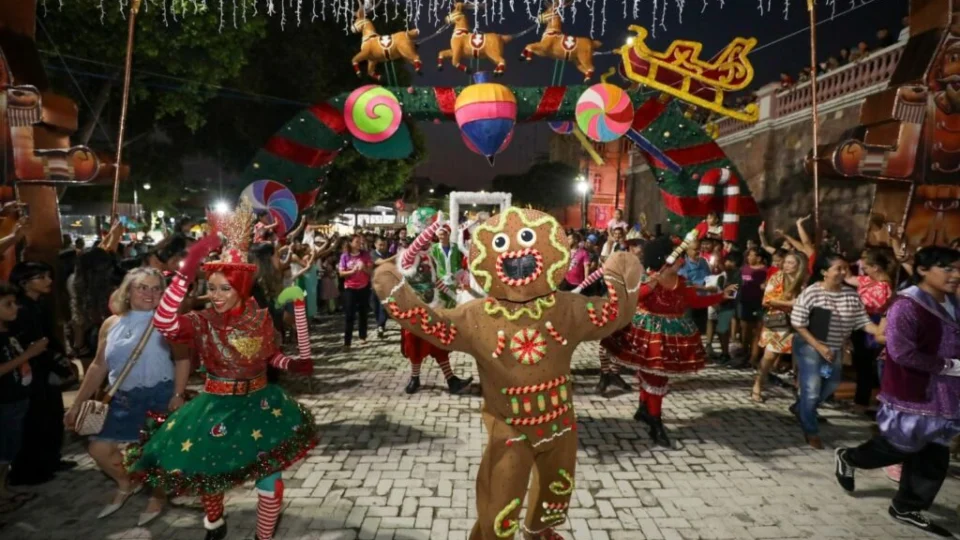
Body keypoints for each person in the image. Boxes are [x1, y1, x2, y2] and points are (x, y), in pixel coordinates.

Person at [126, 206, 315, 540]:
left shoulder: (261, 318)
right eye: (210, 288)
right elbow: (164, 321)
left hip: (260, 404)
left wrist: (295, 364)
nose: (215, 296)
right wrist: (186, 272)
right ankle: (215, 523)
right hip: (214, 406)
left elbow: (272, 357)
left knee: (270, 481)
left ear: (241, 287)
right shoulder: (202, 321)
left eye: (224, 288)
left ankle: (263, 537)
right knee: (209, 473)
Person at [834, 246, 960, 538]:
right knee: (899, 446)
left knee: (935, 453)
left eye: (957, 268)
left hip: (947, 392)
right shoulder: (907, 305)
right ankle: (850, 458)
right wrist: (950, 365)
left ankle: (907, 506)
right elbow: (901, 352)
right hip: (914, 391)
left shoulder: (952, 300)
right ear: (923, 270)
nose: (955, 275)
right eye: (948, 268)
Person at [65, 268, 187, 526]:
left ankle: (158, 494)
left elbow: (182, 358)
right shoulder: (111, 324)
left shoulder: (169, 321)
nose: (150, 293)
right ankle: (126, 483)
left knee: (156, 454)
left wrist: (178, 393)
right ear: (127, 291)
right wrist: (77, 404)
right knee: (99, 449)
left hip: (159, 395)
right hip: (121, 398)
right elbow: (99, 365)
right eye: (143, 287)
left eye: (156, 288)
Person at [601, 236, 737, 447]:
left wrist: (720, 297)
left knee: (655, 375)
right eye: (679, 258)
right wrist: (653, 282)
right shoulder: (647, 279)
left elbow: (695, 300)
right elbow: (632, 298)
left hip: (672, 334)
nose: (683, 261)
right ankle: (655, 421)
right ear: (665, 260)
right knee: (654, 376)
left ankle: (645, 410)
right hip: (648, 332)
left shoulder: (681, 282)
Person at [790, 254, 885, 449]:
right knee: (812, 388)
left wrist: (880, 331)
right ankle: (811, 430)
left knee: (831, 383)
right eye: (838, 269)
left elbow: (862, 321)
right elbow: (798, 324)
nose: (843, 272)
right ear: (825, 272)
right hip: (810, 347)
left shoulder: (851, 295)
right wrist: (820, 346)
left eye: (845, 269)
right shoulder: (811, 293)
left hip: (833, 349)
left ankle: (801, 408)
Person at [8, 262, 76, 486]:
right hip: (31, 371)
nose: (48, 281)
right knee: (36, 419)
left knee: (52, 415)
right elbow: (29, 343)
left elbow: (49, 336)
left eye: (48, 276)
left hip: (45, 367)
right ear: (24, 282)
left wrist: (60, 357)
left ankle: (51, 460)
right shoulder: (20, 309)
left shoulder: (40, 304)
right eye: (42, 277)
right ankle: (32, 469)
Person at [0, 282, 45, 513]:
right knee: (3, 449)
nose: (15, 308)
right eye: (8, 304)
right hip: (5, 401)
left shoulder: (9, 332)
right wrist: (29, 354)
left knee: (10, 447)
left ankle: (3, 489)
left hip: (17, 398)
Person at [753, 251, 807, 401]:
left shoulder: (803, 280)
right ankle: (758, 385)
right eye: (786, 262)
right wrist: (789, 303)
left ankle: (801, 394)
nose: (787, 265)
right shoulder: (777, 278)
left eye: (791, 263)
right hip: (778, 322)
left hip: (798, 323)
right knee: (769, 356)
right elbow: (767, 301)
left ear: (799, 266)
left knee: (800, 360)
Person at [847, 248, 895, 411]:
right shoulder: (867, 280)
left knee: (867, 365)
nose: (864, 270)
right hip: (859, 324)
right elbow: (849, 278)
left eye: (866, 267)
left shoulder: (884, 287)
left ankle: (864, 402)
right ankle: (861, 400)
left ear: (876, 267)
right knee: (862, 364)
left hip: (872, 325)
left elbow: (878, 308)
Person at [732, 248, 768, 369]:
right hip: (744, 303)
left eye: (751, 255)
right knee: (745, 330)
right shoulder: (743, 269)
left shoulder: (766, 271)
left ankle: (754, 358)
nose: (749, 258)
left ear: (759, 258)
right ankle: (744, 353)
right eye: (748, 256)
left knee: (757, 331)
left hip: (759, 304)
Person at [706, 251, 743, 365]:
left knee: (723, 330)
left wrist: (717, 301)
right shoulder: (723, 276)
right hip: (723, 305)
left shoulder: (736, 275)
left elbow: (733, 293)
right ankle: (724, 353)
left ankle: (727, 353)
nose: (724, 264)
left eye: (726, 261)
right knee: (721, 330)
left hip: (729, 306)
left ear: (734, 263)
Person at [339, 235, 373, 350]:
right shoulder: (345, 256)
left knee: (363, 313)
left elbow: (370, 272)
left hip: (363, 287)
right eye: (357, 242)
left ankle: (362, 336)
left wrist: (364, 268)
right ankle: (347, 342)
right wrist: (352, 271)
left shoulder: (365, 255)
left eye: (361, 242)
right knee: (349, 315)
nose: (360, 244)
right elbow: (341, 273)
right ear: (350, 243)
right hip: (350, 288)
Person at [678, 240, 714, 334]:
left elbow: (709, 277)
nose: (698, 251)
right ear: (687, 250)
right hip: (690, 301)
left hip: (703, 299)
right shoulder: (683, 264)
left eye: (699, 249)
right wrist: (703, 287)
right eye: (695, 249)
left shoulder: (703, 261)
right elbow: (685, 283)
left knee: (701, 329)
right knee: (689, 329)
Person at [370, 237, 393, 338]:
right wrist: (396, 256)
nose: (383, 247)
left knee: (383, 305)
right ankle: (379, 322)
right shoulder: (372, 254)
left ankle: (380, 325)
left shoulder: (389, 254)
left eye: (384, 245)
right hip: (374, 284)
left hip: (386, 285)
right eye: (380, 245)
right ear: (375, 244)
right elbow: (379, 262)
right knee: (374, 306)